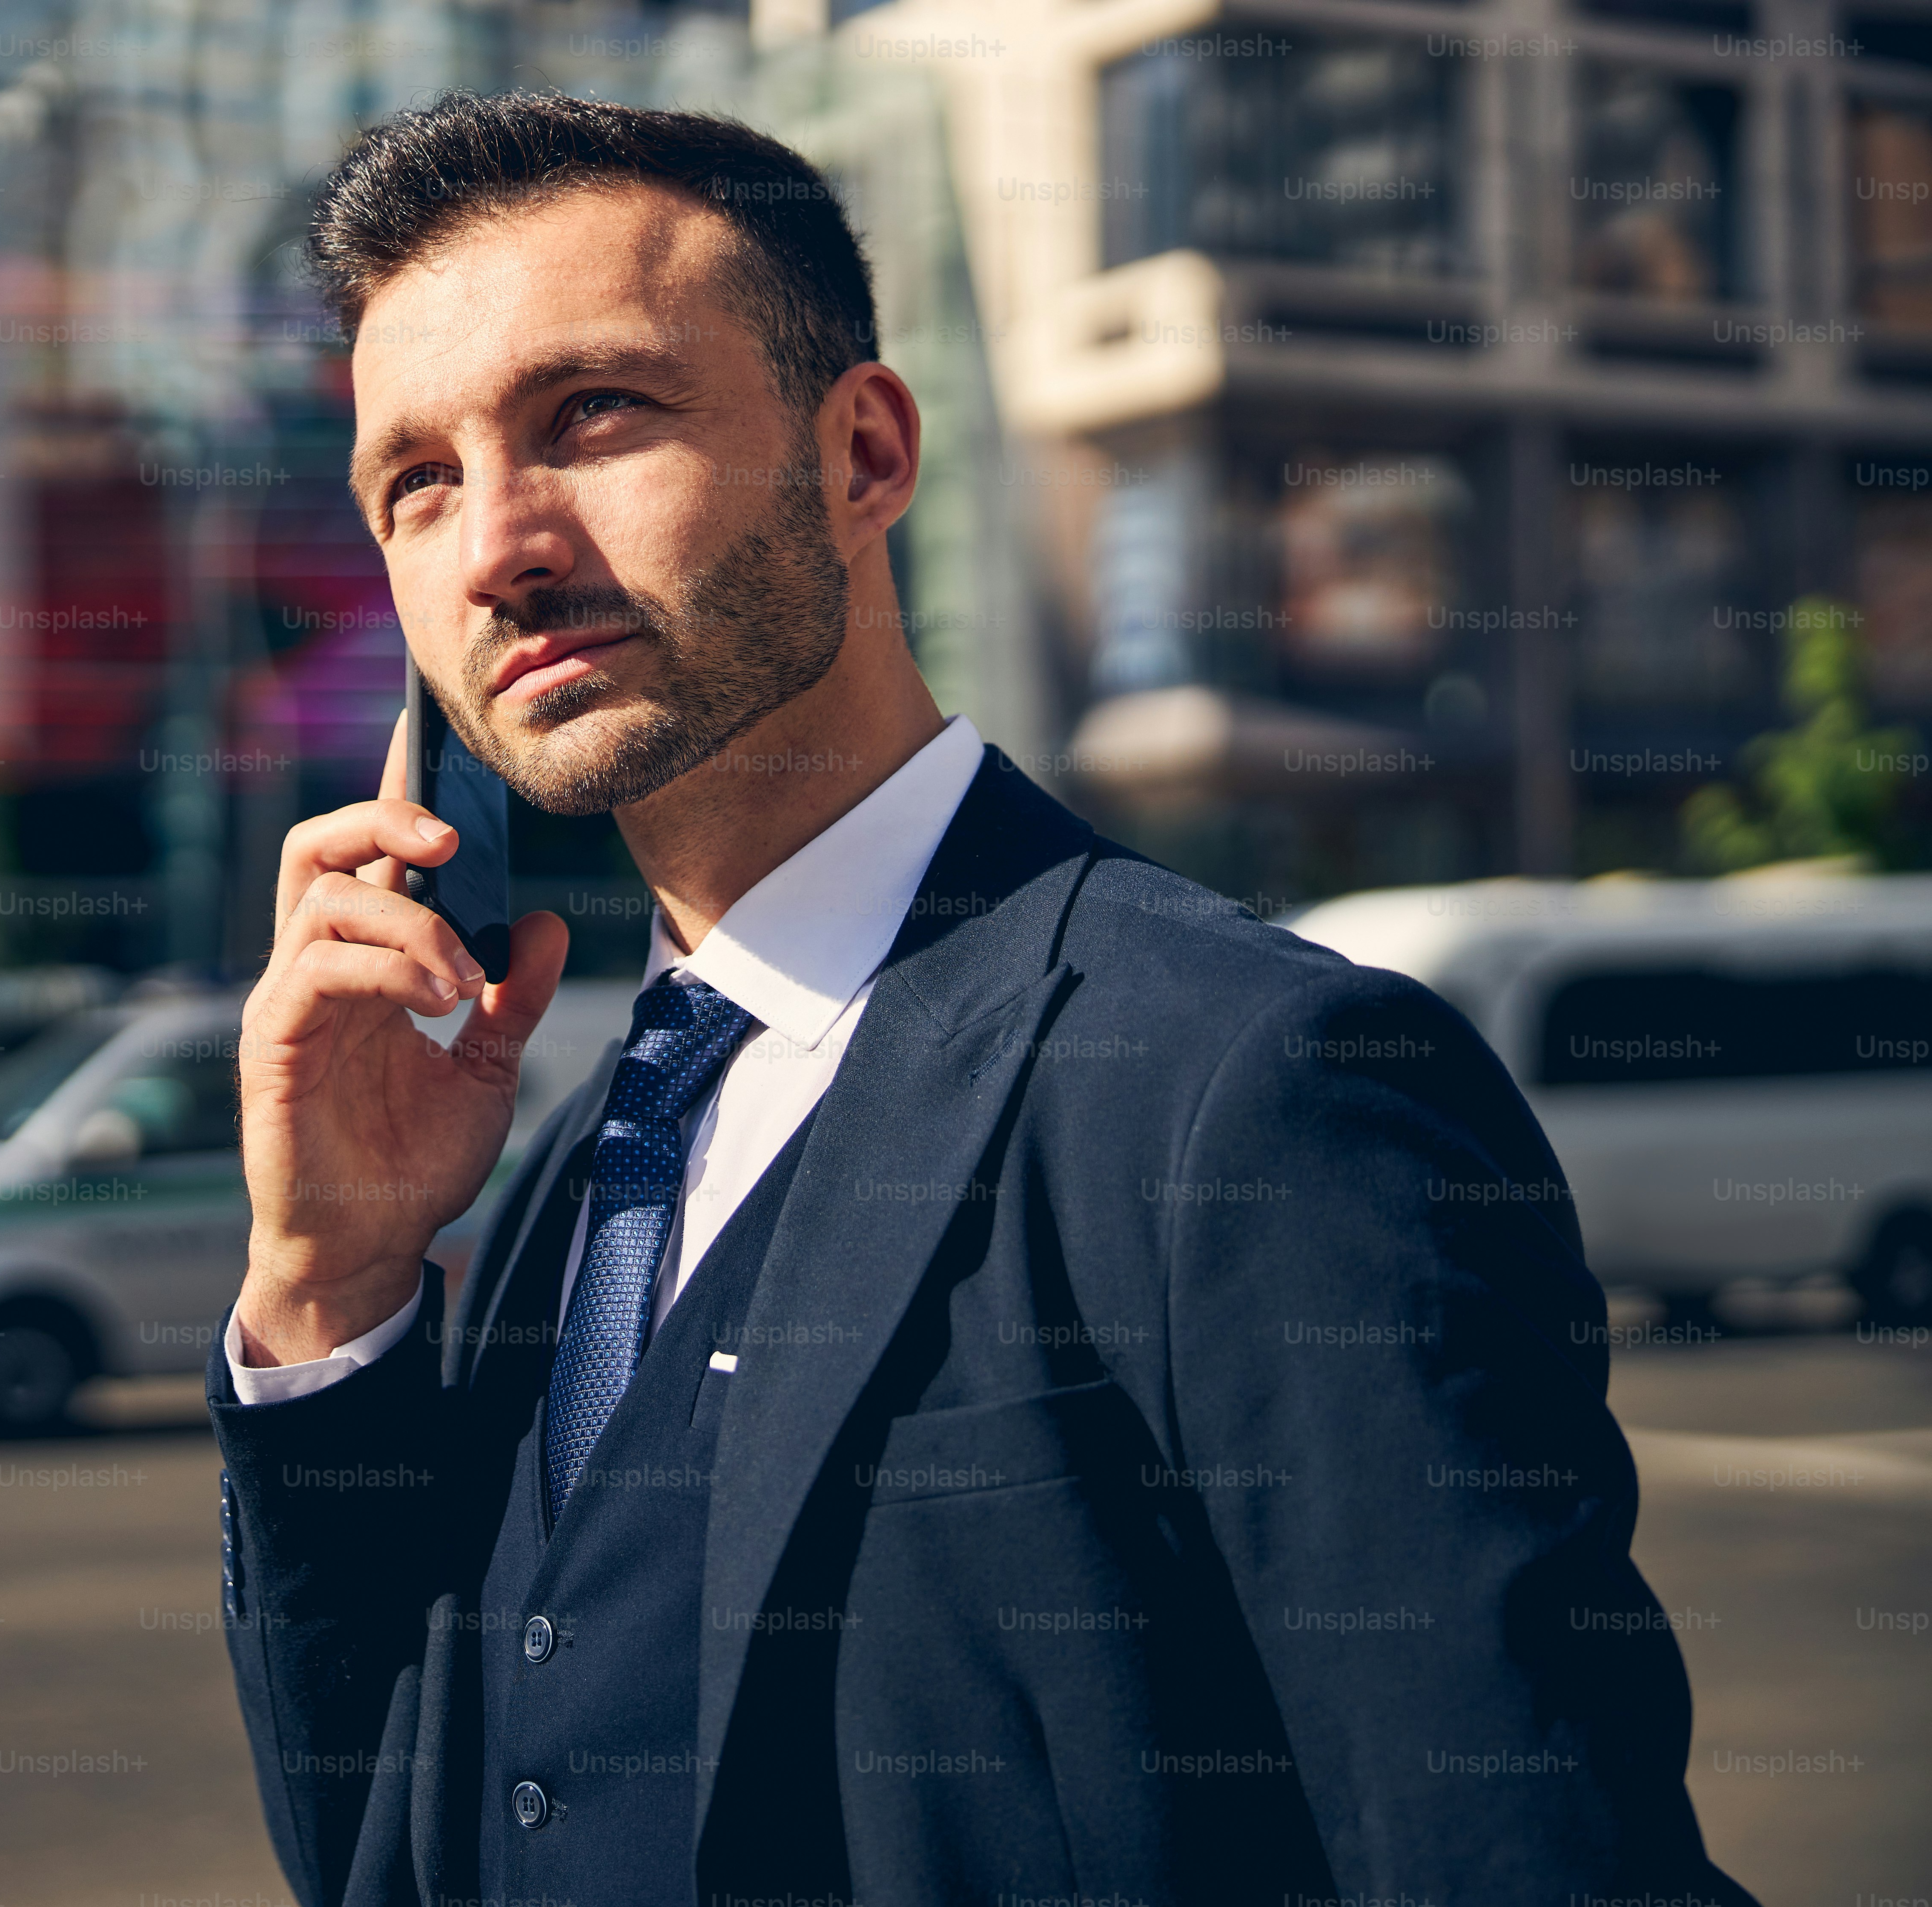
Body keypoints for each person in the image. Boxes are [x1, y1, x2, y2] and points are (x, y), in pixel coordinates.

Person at [210, 90, 1755, 1907]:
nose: (498, 547)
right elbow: (396, 1850)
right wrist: (331, 1290)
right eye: (420, 480)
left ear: (864, 453)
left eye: (594, 414)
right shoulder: (561, 1185)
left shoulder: (1254, 1091)